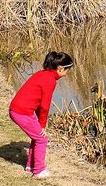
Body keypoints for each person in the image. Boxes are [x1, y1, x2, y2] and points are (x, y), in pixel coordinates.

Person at [9, 51, 74, 179]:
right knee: (42, 138)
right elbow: (44, 105)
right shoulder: (50, 80)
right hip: (21, 112)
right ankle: (38, 171)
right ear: (60, 69)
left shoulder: (42, 74)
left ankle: (30, 166)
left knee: (37, 136)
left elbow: (39, 103)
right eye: (67, 70)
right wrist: (43, 125)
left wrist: (39, 123)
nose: (67, 74)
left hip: (20, 110)